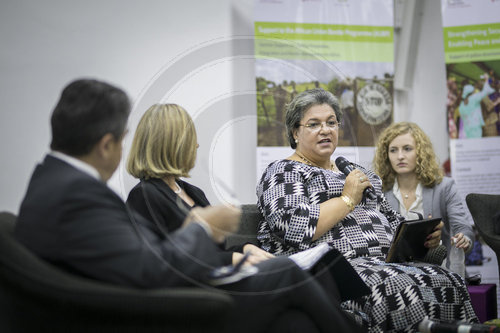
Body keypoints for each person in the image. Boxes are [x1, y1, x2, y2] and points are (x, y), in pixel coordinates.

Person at [14, 79, 362, 333]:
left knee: (295, 322)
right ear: (106, 145)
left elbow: (142, 256)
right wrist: (202, 226)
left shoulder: (54, 183)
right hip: (164, 307)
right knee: (287, 273)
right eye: (121, 140)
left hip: (166, 292)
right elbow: (153, 268)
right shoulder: (77, 195)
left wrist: (234, 246)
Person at [256, 88, 478, 332]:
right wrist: (347, 198)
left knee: (449, 279)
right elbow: (293, 226)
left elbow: (392, 223)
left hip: (384, 263)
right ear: (295, 132)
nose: (326, 130)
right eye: (314, 124)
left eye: (331, 122)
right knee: (394, 285)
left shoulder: (356, 172)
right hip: (331, 269)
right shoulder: (283, 171)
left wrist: (423, 241)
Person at [126, 103, 274, 266]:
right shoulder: (144, 196)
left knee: (283, 268)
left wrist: (245, 248)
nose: (196, 145)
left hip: (216, 278)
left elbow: (214, 251)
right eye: (190, 138)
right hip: (192, 288)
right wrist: (230, 259)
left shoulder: (194, 192)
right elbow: (161, 261)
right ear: (172, 145)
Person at [373, 122, 474, 271]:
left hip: (441, 271)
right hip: (395, 274)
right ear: (386, 155)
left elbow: (463, 229)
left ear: (420, 152)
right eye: (393, 150)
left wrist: (463, 240)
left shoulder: (444, 187)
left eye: (407, 149)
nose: (400, 156)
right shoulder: (379, 192)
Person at [459, 73, 494, 138]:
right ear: (471, 92)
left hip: (467, 129)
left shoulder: (461, 105)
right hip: (476, 128)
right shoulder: (474, 98)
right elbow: (486, 91)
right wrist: (486, 79)